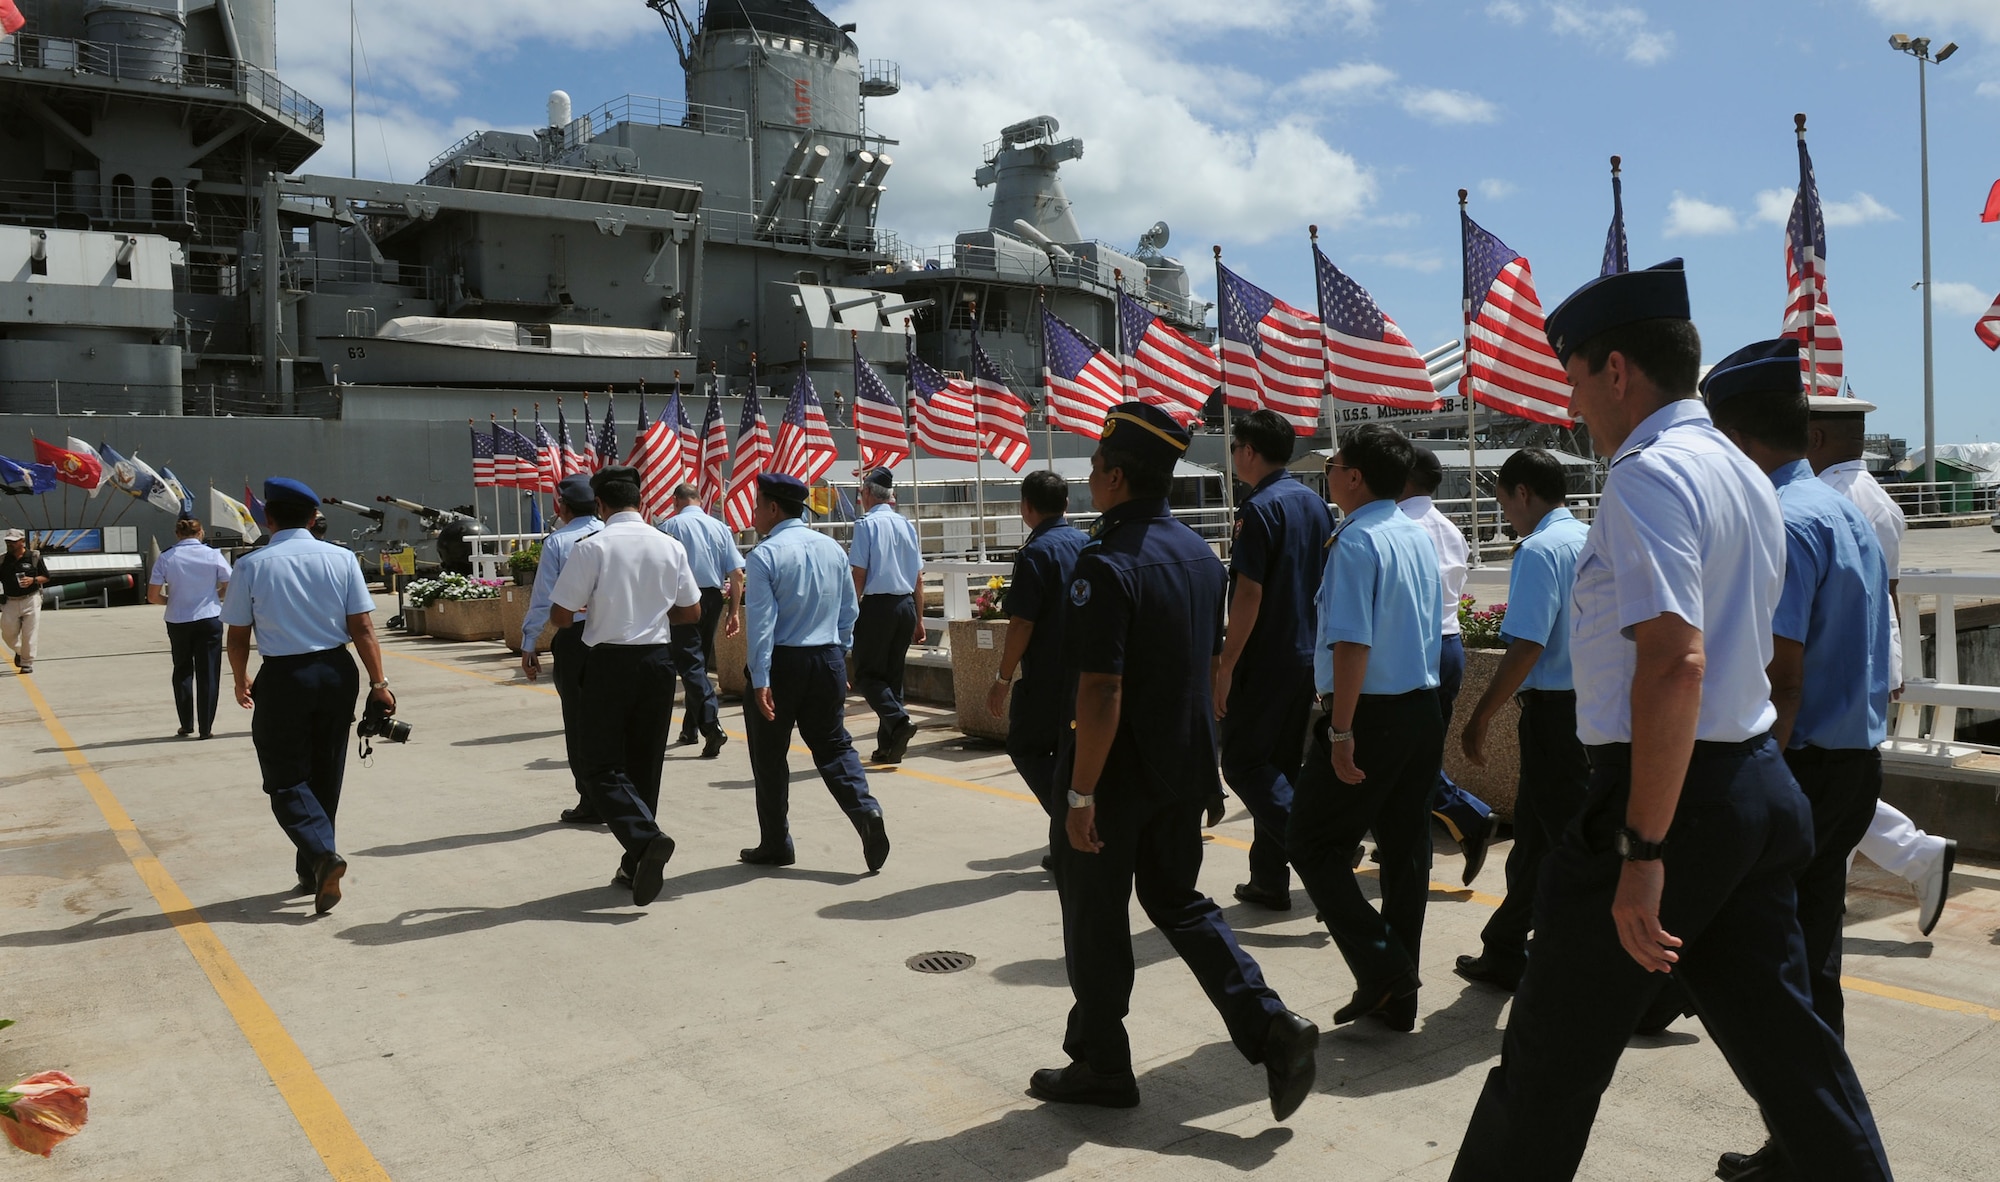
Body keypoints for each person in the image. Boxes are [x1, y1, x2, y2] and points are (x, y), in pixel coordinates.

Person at [1451, 259, 1890, 1181]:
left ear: (1617, 370)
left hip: (1667, 804)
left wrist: (1643, 850)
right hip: (1750, 788)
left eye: (1574, 378)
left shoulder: (1648, 477)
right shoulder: (1740, 470)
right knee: (1794, 1058)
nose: (1572, 405)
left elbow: (1674, 661)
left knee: (1546, 1067)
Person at [1036, 401, 1318, 1120]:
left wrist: (1079, 797)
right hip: (1181, 768)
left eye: (1097, 467)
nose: (1091, 478)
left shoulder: (1105, 564)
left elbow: (1102, 690)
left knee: (1096, 918)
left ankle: (1103, 1064)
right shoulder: (1198, 554)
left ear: (1119, 476)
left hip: (1115, 775)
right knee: (1179, 902)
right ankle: (1271, 1025)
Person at [1703, 336, 1894, 1181]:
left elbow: (1782, 675)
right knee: (1811, 965)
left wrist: (1762, 780)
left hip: (1803, 765)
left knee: (1773, 979)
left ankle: (1816, 1148)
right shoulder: (1840, 506)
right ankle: (1806, 1143)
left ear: (1738, 437)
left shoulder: (1782, 518)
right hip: (1853, 763)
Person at [1288, 423, 1444, 1033]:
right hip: (1421, 706)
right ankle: (1394, 994)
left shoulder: (1353, 542)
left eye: (1333, 467)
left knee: (1312, 842)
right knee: (1406, 854)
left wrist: (1341, 730)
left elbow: (1351, 642)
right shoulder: (1414, 533)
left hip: (1370, 713)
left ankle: (1384, 971)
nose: (1328, 476)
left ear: (1354, 477)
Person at [1809, 396, 1957, 935]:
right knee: (1837, 783)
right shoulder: (1879, 499)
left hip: (1832, 664)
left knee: (1828, 783)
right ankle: (1895, 868)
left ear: (1816, 439)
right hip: (1868, 660)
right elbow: (1887, 596)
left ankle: (1913, 859)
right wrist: (1891, 666)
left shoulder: (1821, 498)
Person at [221, 478, 394, 916]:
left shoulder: (252, 565)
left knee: (283, 778)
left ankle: (321, 856)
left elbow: (238, 636)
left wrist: (240, 677)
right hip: (337, 672)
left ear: (268, 518)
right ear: (314, 518)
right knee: (325, 772)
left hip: (284, 676)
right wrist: (379, 683)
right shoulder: (341, 558)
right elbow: (363, 629)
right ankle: (311, 870)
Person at [1453, 448, 1591, 992]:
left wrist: (1480, 717)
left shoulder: (1539, 551)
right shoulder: (1589, 538)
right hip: (1591, 708)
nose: (1506, 514)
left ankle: (1631, 971)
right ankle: (1507, 947)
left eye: (1504, 503)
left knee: (1565, 844)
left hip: (1555, 715)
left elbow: (1528, 643)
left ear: (1523, 494)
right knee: (1540, 837)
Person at [547, 466, 700, 906]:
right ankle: (635, 861)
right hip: (656, 660)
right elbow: (690, 613)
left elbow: (560, 616)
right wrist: (650, 613)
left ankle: (645, 838)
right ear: (640, 502)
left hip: (609, 660)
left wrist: (599, 608)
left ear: (600, 505)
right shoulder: (669, 545)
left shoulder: (591, 547)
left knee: (597, 766)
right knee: (645, 763)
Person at [1211, 408, 1334, 912]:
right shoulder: (1315, 503)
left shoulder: (1257, 508)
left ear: (1249, 451)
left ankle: (1318, 841)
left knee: (1241, 763)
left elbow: (1248, 594)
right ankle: (1268, 878)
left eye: (1237, 445)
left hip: (1265, 656)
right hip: (1306, 654)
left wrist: (1225, 665)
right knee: (1280, 765)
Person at [740, 472, 890, 871]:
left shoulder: (764, 555)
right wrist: (839, 656)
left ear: (773, 508)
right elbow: (849, 612)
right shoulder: (831, 549)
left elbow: (762, 626)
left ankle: (776, 842)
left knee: (770, 756)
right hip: (827, 657)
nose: (754, 513)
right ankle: (866, 813)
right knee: (834, 745)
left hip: (783, 662)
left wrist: (760, 679)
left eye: (758, 505)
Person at [1399, 447, 1495, 884]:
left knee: (1401, 758)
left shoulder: (1400, 526)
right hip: (1449, 644)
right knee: (1417, 755)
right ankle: (1409, 842)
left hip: (1415, 650)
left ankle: (1469, 817)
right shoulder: (1448, 527)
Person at [985, 469, 1089, 819]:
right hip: (1086, 671)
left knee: (1025, 748)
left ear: (1025, 506)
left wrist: (1002, 680)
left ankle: (1069, 818)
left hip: (1046, 677)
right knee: (1068, 753)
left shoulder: (1034, 554)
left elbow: (1022, 623)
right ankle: (1066, 838)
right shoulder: (1088, 544)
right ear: (1066, 504)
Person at [521, 475, 604, 822]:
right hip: (619, 638)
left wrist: (529, 643)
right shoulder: (615, 534)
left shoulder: (558, 542)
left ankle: (590, 799)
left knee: (578, 721)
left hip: (575, 638)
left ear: (563, 507)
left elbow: (544, 598)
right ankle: (621, 795)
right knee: (617, 720)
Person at [658, 482, 744, 758]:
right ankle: (690, 727)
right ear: (699, 500)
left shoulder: (670, 527)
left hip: (682, 597)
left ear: (676, 501)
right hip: (712, 596)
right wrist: (733, 612)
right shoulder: (719, 527)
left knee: (690, 665)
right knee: (699, 662)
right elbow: (737, 574)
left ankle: (710, 724)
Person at [847, 467, 925, 763]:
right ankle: (890, 747)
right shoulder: (906, 525)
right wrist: (918, 618)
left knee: (867, 675)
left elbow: (859, 575)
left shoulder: (866, 525)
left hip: (879, 606)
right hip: (905, 604)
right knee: (893, 679)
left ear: (867, 493)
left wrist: (850, 613)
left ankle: (899, 720)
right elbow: (918, 578)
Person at [148, 517, 233, 739]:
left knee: (182, 671)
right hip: (208, 617)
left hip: (178, 619)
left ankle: (186, 724)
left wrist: (170, 600)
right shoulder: (213, 555)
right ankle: (206, 727)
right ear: (201, 533)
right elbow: (231, 584)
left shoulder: (167, 557)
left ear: (177, 534)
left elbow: (152, 595)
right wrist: (216, 596)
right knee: (208, 673)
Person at [2, 528, 50, 674]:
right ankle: (19, 651)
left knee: (29, 633)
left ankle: (27, 663)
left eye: (13, 542)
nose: (10, 545)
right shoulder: (3, 560)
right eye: (8, 542)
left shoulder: (34, 557)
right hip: (10, 601)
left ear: (22, 542)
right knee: (7, 634)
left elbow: (46, 577)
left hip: (31, 599)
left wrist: (33, 580)